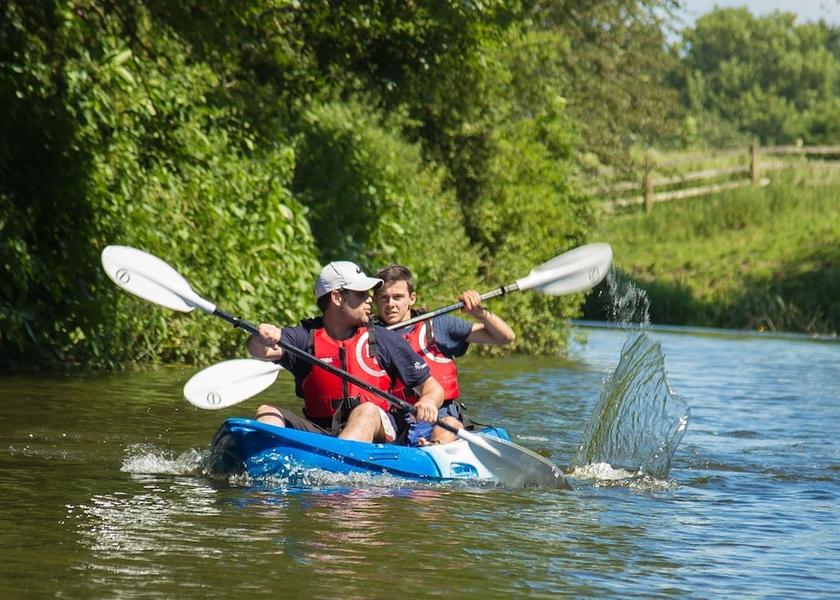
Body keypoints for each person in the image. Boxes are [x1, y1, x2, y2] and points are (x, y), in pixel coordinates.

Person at [246, 260, 444, 444]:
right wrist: (262, 336)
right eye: (361, 294)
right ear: (337, 297)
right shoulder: (304, 337)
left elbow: (433, 388)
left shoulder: (382, 338)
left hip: (379, 430)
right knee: (267, 412)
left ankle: (335, 462)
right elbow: (259, 350)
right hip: (321, 430)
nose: (369, 299)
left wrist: (428, 401)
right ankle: (268, 461)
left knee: (366, 411)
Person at [374, 265, 515, 445]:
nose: (391, 304)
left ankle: (434, 447)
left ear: (412, 298)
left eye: (398, 297)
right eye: (384, 298)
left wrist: (479, 313)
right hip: (394, 417)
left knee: (448, 425)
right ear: (375, 301)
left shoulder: (439, 325)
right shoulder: (368, 334)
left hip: (440, 415)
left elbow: (505, 337)